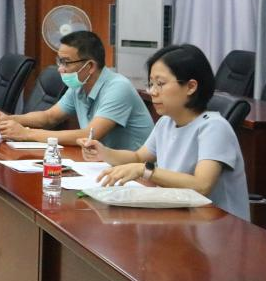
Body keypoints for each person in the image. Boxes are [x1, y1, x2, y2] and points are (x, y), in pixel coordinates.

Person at [81, 44, 250, 220]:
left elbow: (202, 185)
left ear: (191, 86)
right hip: (181, 218)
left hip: (218, 226)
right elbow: (138, 157)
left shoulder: (214, 127)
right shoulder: (166, 122)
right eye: (151, 84)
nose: (152, 92)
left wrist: (144, 171)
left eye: (160, 84)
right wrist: (104, 152)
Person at [0, 31, 153, 150]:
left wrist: (26, 134)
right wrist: (9, 119)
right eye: (59, 61)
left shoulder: (118, 87)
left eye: (66, 62)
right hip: (103, 164)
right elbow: (49, 117)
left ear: (90, 66)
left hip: (135, 172)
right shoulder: (79, 86)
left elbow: (89, 135)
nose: (60, 69)